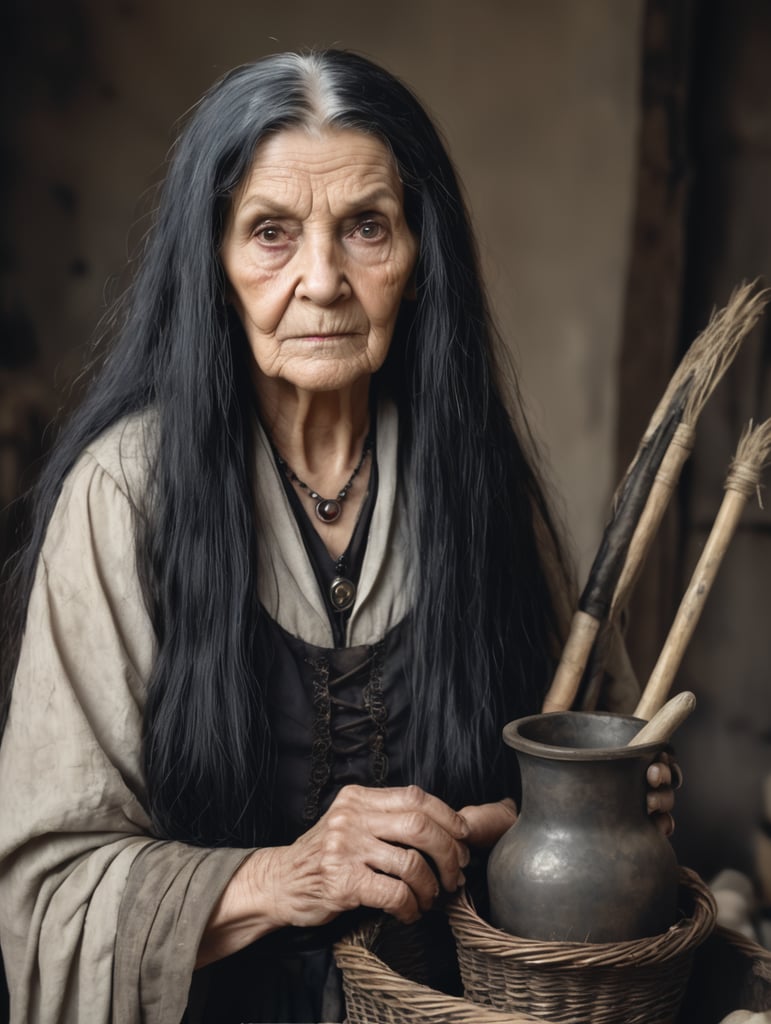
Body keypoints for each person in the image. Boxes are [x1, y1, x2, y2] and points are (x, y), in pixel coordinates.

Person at [0, 50, 677, 1024]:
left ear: (416, 257)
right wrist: (292, 876)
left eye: (366, 227)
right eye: (271, 233)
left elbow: (601, 743)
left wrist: (617, 799)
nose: (323, 281)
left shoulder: (476, 482)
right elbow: (50, 897)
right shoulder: (127, 495)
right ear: (214, 266)